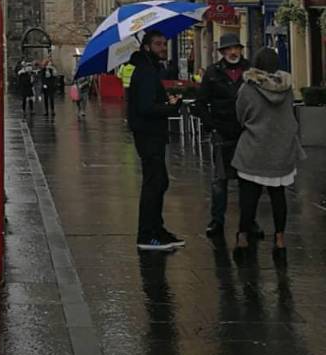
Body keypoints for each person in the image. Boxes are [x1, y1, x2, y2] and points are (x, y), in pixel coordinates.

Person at [232, 47, 303, 261]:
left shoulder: (248, 88)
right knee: (278, 196)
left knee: (248, 197)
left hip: (253, 148)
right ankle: (279, 239)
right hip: (281, 149)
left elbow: (241, 115)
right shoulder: (287, 89)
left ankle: (243, 237)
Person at [127, 30, 184, 251]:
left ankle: (157, 229)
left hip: (153, 133)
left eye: (164, 43)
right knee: (154, 183)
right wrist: (170, 107)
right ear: (147, 47)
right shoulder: (146, 72)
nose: (163, 47)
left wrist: (167, 101)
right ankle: (147, 235)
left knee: (160, 182)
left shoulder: (152, 70)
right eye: (159, 44)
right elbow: (145, 107)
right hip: (147, 134)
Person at [197, 32, 250, 239]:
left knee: (248, 180)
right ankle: (217, 220)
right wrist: (211, 125)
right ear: (222, 52)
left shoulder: (250, 71)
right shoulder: (213, 73)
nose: (233, 52)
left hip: (246, 131)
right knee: (220, 179)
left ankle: (248, 222)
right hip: (222, 130)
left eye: (236, 48)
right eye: (229, 49)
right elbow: (201, 102)